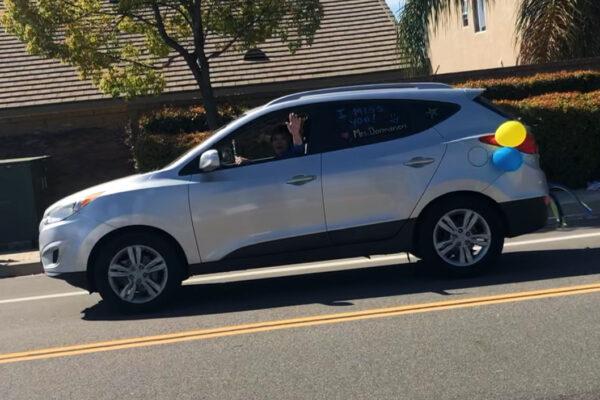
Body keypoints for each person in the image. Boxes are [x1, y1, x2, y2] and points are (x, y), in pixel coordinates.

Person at [235, 112, 305, 164]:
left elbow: (298, 148)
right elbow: (266, 170)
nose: (279, 142)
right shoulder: (277, 158)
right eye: (275, 139)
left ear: (289, 140)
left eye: (283, 139)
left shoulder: (293, 154)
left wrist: (295, 133)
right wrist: (247, 162)